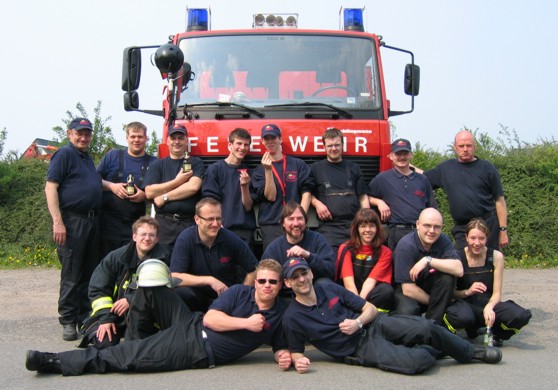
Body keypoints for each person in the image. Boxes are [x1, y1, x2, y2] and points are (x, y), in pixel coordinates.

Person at [25, 259, 292, 375]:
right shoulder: (239, 293)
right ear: (255, 282)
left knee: (126, 357)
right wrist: (246, 323)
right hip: (193, 322)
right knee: (152, 287)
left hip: (196, 349)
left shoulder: (280, 315)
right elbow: (211, 319)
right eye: (262, 280)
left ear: (280, 286)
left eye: (273, 282)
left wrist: (284, 357)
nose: (267, 285)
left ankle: (56, 362)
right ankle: (135, 342)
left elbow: (281, 347)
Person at [281, 258, 502, 375]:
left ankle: (472, 352)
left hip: (375, 324)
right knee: (416, 362)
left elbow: (371, 309)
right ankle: (439, 347)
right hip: (360, 350)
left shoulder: (329, 288)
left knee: (426, 327)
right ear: (288, 283)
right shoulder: (292, 318)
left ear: (311, 273)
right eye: (295, 277)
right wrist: (299, 362)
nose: (302, 279)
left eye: (304, 273)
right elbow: (296, 352)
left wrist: (357, 321)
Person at [44, 117, 102, 341]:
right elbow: (51, 188)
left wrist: (112, 186)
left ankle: (84, 317)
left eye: (87, 133)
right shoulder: (64, 154)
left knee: (89, 271)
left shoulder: (86, 158)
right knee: (72, 273)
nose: (84, 137)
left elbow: (92, 184)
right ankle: (68, 320)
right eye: (79, 133)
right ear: (70, 133)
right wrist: (57, 221)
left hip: (91, 222)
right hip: (72, 222)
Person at [79, 216, 169, 349]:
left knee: (139, 346)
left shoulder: (164, 259)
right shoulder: (116, 258)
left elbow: (164, 292)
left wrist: (131, 299)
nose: (147, 238)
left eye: (151, 235)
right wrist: (106, 319)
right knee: (104, 343)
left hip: (145, 316)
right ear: (134, 237)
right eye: (143, 234)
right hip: (112, 314)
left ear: (157, 239)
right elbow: (98, 289)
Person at [444, 218, 531, 345]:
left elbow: (496, 294)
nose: (477, 243)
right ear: (466, 237)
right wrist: (467, 291)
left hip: (488, 304)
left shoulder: (496, 257)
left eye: (481, 238)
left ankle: (496, 333)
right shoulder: (457, 257)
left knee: (521, 315)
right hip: (465, 305)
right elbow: (451, 294)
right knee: (462, 317)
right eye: (473, 238)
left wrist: (489, 307)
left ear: (487, 238)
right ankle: (462, 332)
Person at [423, 130, 509, 250]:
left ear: (475, 146)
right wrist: (406, 168)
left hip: (487, 225)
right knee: (463, 265)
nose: (465, 149)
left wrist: (503, 230)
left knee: (490, 264)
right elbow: (421, 178)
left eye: (469, 146)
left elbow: (500, 201)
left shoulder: (487, 168)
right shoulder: (446, 168)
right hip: (462, 227)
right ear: (455, 147)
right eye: (461, 146)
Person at [170, 197, 258, 312]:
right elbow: (174, 277)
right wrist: (210, 280)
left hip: (226, 299)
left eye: (218, 218)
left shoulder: (231, 239)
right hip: (197, 297)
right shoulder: (186, 238)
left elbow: (254, 269)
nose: (216, 224)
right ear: (197, 219)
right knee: (180, 292)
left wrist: (241, 294)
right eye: (210, 219)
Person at [393, 208, 463, 325]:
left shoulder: (443, 240)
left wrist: (428, 260)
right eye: (427, 225)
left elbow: (459, 269)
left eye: (437, 227)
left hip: (429, 286)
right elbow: (408, 289)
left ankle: (433, 327)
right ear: (418, 225)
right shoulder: (406, 246)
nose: (432, 231)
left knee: (448, 278)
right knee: (409, 311)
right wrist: (436, 303)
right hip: (405, 291)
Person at [96, 121, 156, 258]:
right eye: (133, 136)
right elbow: (93, 181)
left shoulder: (154, 163)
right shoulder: (113, 156)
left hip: (135, 226)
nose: (136, 140)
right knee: (106, 264)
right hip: (107, 224)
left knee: (130, 265)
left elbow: (159, 192)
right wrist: (111, 186)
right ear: (126, 138)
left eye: (140, 137)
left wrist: (145, 196)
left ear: (146, 139)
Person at [368, 138, 437, 251]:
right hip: (396, 234)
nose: (402, 157)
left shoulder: (422, 180)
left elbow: (432, 208)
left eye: (405, 153)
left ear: (411, 155)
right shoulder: (382, 179)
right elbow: (364, 196)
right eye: (398, 154)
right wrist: (379, 202)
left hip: (420, 233)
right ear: (390, 156)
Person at [252, 124, 313, 250]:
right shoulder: (259, 171)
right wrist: (268, 171)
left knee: (297, 262)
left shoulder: (298, 164)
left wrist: (300, 219)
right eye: (266, 138)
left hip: (295, 224)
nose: (270, 141)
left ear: (280, 139)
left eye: (273, 138)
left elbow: (306, 193)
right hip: (271, 224)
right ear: (262, 141)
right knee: (273, 264)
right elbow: (271, 196)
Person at [310, 128, 370, 254]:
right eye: (330, 145)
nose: (334, 148)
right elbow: (306, 194)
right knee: (331, 264)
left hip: (353, 227)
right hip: (329, 229)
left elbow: (363, 197)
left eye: (337, 145)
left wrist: (367, 222)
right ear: (324, 147)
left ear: (343, 145)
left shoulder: (354, 168)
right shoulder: (316, 169)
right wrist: (317, 204)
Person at [202, 128, 256, 250]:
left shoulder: (250, 173)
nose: (242, 148)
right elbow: (210, 203)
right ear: (230, 145)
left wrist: (245, 187)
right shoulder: (215, 170)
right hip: (221, 229)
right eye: (239, 143)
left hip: (245, 232)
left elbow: (248, 206)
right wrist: (217, 224)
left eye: (246, 145)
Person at [336, 208, 394, 312]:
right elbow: (348, 282)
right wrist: (357, 305)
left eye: (372, 226)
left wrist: (361, 304)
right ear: (356, 229)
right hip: (350, 293)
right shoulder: (345, 248)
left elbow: (370, 281)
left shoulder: (385, 252)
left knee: (386, 291)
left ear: (377, 228)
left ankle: (376, 318)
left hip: (369, 294)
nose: (367, 230)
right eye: (363, 226)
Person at [262, 201, 335, 283]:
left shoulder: (317, 239)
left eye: (300, 218)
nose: (296, 223)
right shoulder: (274, 249)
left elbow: (330, 271)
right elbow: (265, 278)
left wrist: (308, 256)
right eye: (291, 219)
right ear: (283, 223)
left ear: (305, 221)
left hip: (313, 291)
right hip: (286, 293)